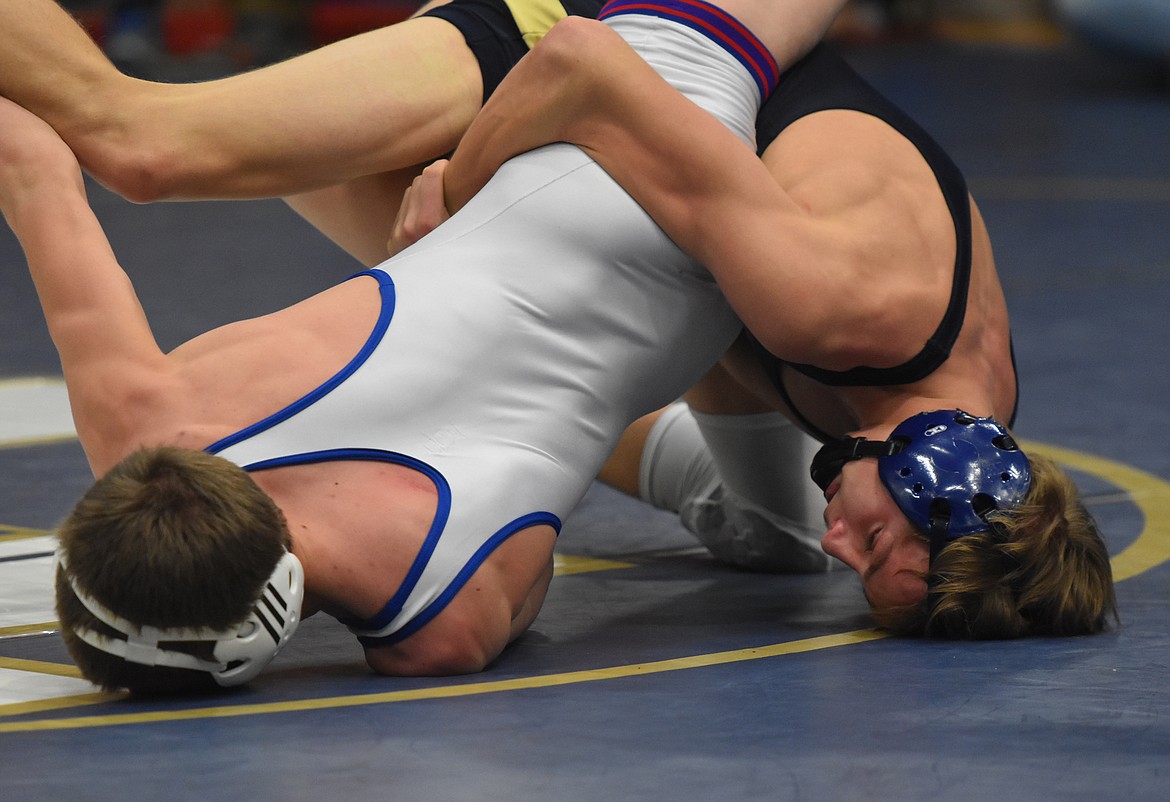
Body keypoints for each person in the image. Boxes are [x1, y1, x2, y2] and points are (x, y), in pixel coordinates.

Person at [0, 0, 847, 694]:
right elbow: (32, 162)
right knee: (165, 141)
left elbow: (537, 542)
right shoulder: (138, 416)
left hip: (675, 238)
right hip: (548, 151)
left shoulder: (443, 622)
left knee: (779, 528)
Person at [439, 5, 1119, 639]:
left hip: (667, 91)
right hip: (570, 38)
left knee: (780, 536)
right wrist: (453, 199)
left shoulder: (966, 417)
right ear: (937, 470)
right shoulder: (842, 314)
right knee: (444, 266)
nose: (837, 545)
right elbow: (583, 67)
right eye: (873, 545)